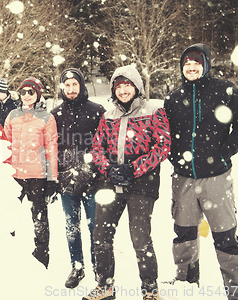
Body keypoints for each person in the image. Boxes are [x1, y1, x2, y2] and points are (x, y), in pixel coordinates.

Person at [164, 44, 238, 299]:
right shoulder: (173, 96)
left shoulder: (224, 90)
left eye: (196, 64)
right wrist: (175, 158)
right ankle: (186, 282)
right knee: (184, 234)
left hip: (216, 177)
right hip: (183, 178)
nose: (191, 68)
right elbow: (165, 134)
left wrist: (224, 152)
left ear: (205, 65)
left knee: (225, 235)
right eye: (187, 65)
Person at [84, 65, 171, 300]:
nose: (123, 90)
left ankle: (150, 290)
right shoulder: (107, 116)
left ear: (137, 88)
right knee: (100, 236)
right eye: (118, 86)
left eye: (127, 85)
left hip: (142, 184)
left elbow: (162, 146)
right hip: (110, 183)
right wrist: (110, 169)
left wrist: (134, 169)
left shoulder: (154, 111)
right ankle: (105, 285)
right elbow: (96, 147)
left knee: (140, 238)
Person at [51, 68, 105, 288]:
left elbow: (105, 145)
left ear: (81, 86)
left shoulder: (97, 111)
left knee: (96, 227)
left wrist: (99, 172)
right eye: (67, 85)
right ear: (62, 87)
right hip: (66, 181)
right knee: (71, 226)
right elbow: (52, 147)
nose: (71, 89)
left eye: (75, 84)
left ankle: (98, 265)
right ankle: (77, 266)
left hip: (93, 180)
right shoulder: (55, 114)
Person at [3, 77, 58, 269]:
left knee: (39, 217)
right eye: (23, 91)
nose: (27, 95)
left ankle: (41, 255)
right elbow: (5, 145)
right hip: (14, 175)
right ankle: (8, 251)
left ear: (38, 94)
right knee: (8, 215)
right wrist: (3, 171)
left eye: (31, 92)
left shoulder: (47, 118)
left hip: (37, 175)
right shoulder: (11, 115)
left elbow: (51, 148)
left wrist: (52, 178)